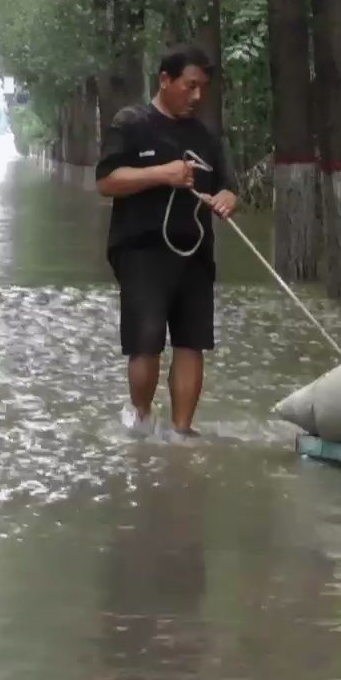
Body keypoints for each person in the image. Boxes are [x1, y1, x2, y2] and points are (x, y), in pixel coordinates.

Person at [95, 44, 239, 437]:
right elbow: (106, 182)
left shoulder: (205, 135)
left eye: (202, 88)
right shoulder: (131, 123)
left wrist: (228, 198)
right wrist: (162, 174)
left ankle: (181, 434)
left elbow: (228, 186)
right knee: (147, 341)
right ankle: (141, 420)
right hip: (141, 251)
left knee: (192, 342)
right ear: (164, 80)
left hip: (194, 253)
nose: (196, 97)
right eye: (189, 86)